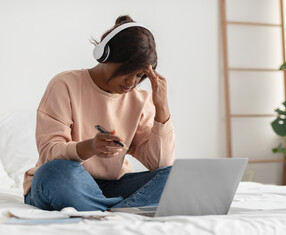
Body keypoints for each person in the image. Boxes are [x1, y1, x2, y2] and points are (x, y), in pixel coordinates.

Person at [23, 15, 176, 211]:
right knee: (53, 173)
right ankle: (124, 209)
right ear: (104, 55)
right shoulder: (65, 84)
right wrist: (90, 147)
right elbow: (49, 153)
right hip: (67, 179)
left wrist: (162, 108)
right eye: (126, 71)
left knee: (175, 177)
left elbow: (160, 164)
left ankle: (107, 210)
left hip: (111, 187)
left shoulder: (141, 100)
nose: (131, 82)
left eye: (139, 75)